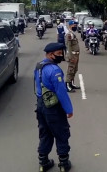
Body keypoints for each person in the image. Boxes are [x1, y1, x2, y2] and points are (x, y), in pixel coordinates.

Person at [34, 43, 73, 172]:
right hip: (53, 108)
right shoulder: (55, 70)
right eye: (59, 54)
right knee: (61, 133)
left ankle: (43, 163)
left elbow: (38, 87)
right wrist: (69, 109)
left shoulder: (39, 66)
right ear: (51, 55)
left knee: (45, 133)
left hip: (41, 105)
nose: (61, 56)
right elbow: (61, 92)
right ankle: (63, 164)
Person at [65, 20, 81, 92]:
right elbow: (68, 47)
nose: (75, 26)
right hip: (73, 55)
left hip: (76, 55)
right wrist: (70, 57)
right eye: (74, 25)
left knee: (75, 70)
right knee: (70, 70)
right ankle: (67, 85)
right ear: (71, 25)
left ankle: (71, 83)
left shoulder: (73, 33)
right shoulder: (69, 34)